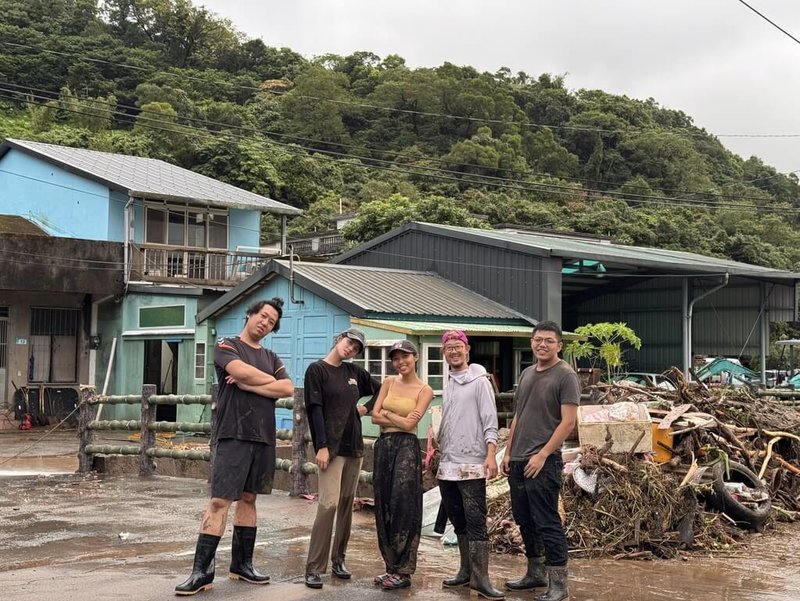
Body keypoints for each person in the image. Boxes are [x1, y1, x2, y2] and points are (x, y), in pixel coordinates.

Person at [175, 298, 294, 596]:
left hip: (262, 435)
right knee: (219, 501)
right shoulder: (227, 345)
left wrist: (252, 386)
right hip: (233, 433)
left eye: (271, 321)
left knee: (249, 499)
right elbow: (240, 372)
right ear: (251, 315)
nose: (265, 322)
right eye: (262, 316)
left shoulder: (271, 355)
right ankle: (201, 571)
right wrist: (262, 382)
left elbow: (288, 388)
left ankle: (242, 565)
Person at [500, 321, 580, 601]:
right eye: (537, 340)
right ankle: (535, 573)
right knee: (524, 519)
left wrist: (544, 454)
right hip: (519, 459)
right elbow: (518, 416)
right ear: (532, 342)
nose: (542, 344)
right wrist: (508, 452)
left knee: (547, 521)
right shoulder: (526, 374)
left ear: (559, 345)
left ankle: (558, 584)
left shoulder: (565, 375)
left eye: (548, 340)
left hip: (544, 461)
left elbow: (568, 422)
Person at [303, 328, 381, 589]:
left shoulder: (355, 373)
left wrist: (366, 408)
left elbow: (382, 389)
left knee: (347, 504)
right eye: (349, 343)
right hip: (331, 449)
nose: (350, 349)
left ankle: (339, 560)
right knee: (328, 504)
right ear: (338, 339)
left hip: (354, 447)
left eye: (356, 348)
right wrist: (321, 446)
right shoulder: (317, 370)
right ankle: (314, 567)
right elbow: (315, 410)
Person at [437, 330, 504, 600]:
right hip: (448, 463)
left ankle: (481, 578)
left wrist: (491, 454)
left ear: (468, 350)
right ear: (444, 353)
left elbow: (490, 420)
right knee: (458, 519)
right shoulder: (450, 381)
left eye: (458, 347)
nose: (453, 352)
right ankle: (465, 572)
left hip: (472, 463)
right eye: (449, 348)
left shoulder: (479, 381)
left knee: (476, 521)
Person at [370, 340, 434, 590]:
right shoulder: (388, 382)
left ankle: (405, 570)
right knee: (383, 503)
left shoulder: (424, 389)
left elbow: (409, 426)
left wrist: (388, 415)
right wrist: (393, 418)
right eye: (396, 358)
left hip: (406, 448)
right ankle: (390, 568)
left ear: (415, 357)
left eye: (405, 357)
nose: (400, 362)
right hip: (384, 445)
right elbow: (374, 416)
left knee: (404, 505)